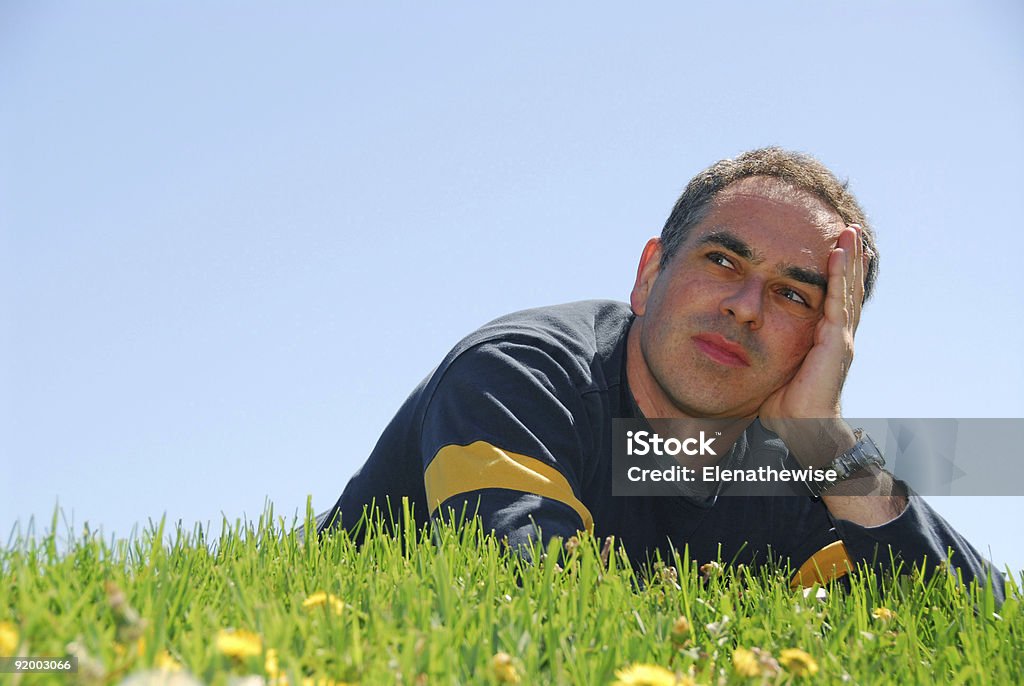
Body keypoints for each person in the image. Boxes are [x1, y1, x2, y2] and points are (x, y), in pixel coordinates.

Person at [312, 147, 1003, 599]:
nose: (744, 307)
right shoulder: (521, 374)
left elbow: (978, 637)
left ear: (827, 341)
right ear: (649, 275)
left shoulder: (791, 476)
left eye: (794, 295)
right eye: (722, 262)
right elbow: (529, 601)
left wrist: (826, 444)